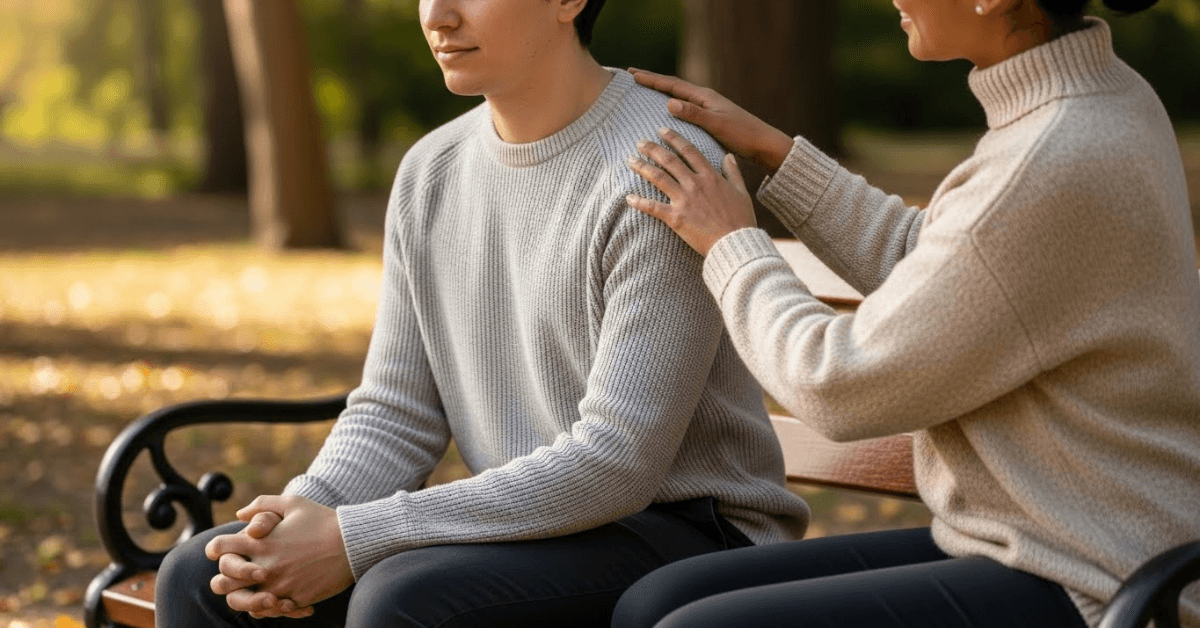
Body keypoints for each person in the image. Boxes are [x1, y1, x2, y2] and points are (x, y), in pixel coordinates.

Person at [154, 0, 811, 626]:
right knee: (203, 577)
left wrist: (355, 537)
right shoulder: (431, 171)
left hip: (688, 533)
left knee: (404, 598)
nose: (438, 17)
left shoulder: (660, 168)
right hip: (530, 524)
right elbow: (396, 411)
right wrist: (306, 513)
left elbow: (617, 463)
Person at [613, 0, 1200, 626]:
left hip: (1097, 580)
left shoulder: (1053, 154)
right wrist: (774, 152)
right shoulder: (1099, 98)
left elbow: (836, 382)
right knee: (655, 601)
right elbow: (955, 271)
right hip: (1048, 539)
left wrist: (729, 244)